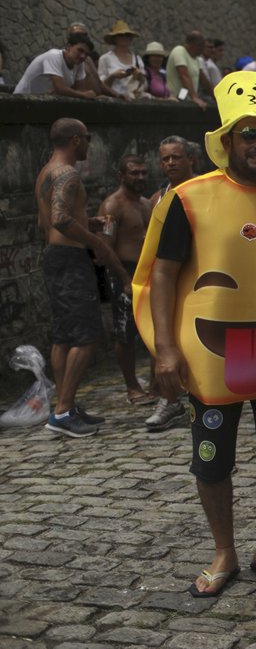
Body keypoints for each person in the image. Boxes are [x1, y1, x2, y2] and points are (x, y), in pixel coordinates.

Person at [133, 71, 256, 596]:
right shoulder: (189, 198)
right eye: (249, 133)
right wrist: (165, 349)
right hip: (210, 358)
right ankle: (224, 551)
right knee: (211, 455)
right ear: (226, 140)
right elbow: (162, 273)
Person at [35, 118, 132, 437]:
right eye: (88, 138)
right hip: (71, 260)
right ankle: (62, 412)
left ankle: (66, 405)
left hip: (56, 258)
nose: (90, 143)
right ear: (76, 140)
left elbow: (47, 221)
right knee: (87, 335)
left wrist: (86, 222)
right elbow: (61, 219)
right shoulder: (68, 173)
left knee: (64, 335)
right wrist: (94, 243)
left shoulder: (46, 172)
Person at [144, 136, 198, 431]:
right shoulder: (158, 197)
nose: (170, 163)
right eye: (165, 158)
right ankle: (169, 399)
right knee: (160, 337)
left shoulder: (203, 192)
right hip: (166, 278)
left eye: (176, 157)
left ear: (191, 159)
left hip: (196, 280)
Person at [97, 155, 156, 406]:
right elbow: (104, 247)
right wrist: (123, 279)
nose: (140, 177)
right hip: (124, 271)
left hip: (149, 272)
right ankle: (132, 386)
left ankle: (156, 384)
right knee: (125, 332)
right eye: (134, 173)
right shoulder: (112, 206)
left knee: (155, 328)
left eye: (143, 173)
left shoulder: (146, 204)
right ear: (122, 175)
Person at [14, 33, 97, 99]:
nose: (83, 56)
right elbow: (60, 89)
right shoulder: (54, 56)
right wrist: (83, 94)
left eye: (86, 54)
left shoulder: (79, 63)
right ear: (68, 47)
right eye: (80, 50)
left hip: (43, 101)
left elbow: (81, 90)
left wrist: (94, 96)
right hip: (22, 99)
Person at [97, 20, 146, 100]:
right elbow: (100, 85)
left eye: (127, 35)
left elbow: (144, 85)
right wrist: (113, 76)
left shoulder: (137, 59)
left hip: (134, 101)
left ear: (130, 38)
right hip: (114, 101)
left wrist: (140, 77)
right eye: (120, 35)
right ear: (114, 38)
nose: (124, 37)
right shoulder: (105, 58)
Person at [166, 31, 209, 110]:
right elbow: (183, 75)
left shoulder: (196, 59)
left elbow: (204, 80)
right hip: (174, 99)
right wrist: (194, 97)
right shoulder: (179, 51)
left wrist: (216, 96)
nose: (202, 50)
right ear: (191, 44)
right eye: (200, 46)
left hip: (185, 97)